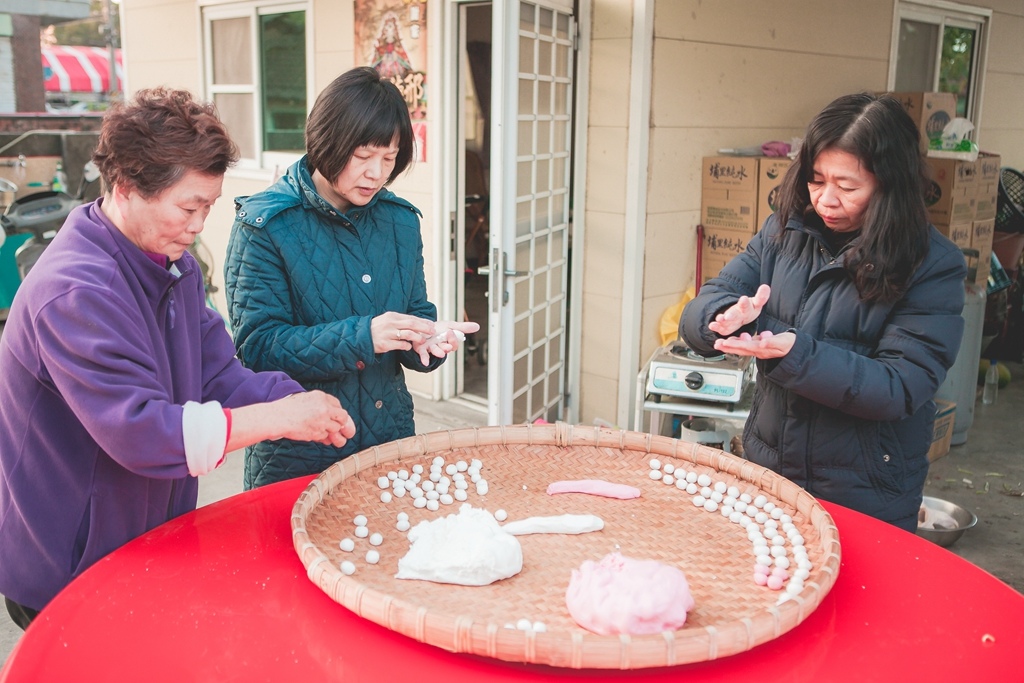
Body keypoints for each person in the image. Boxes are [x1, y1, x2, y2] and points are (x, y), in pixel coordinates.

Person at [0, 88, 356, 629]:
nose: (198, 226)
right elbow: (141, 432)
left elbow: (218, 373)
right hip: (69, 557)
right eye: (188, 208)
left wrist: (296, 401)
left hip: (145, 533)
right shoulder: (74, 291)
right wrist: (276, 419)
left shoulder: (174, 268)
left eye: (208, 208)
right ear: (125, 189)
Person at [680, 92, 967, 531]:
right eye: (816, 180)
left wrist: (796, 354)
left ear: (891, 185)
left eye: (848, 187)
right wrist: (720, 316)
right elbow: (706, 303)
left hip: (867, 491)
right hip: (771, 473)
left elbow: (901, 385)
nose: (825, 200)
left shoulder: (932, 264)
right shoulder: (782, 232)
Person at [224, 66, 478, 490]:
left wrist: (427, 341)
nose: (377, 173)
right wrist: (365, 336)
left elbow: (414, 313)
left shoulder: (399, 221)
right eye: (363, 156)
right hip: (300, 454)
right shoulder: (266, 225)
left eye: (389, 158)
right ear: (328, 141)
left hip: (388, 444)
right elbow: (258, 348)